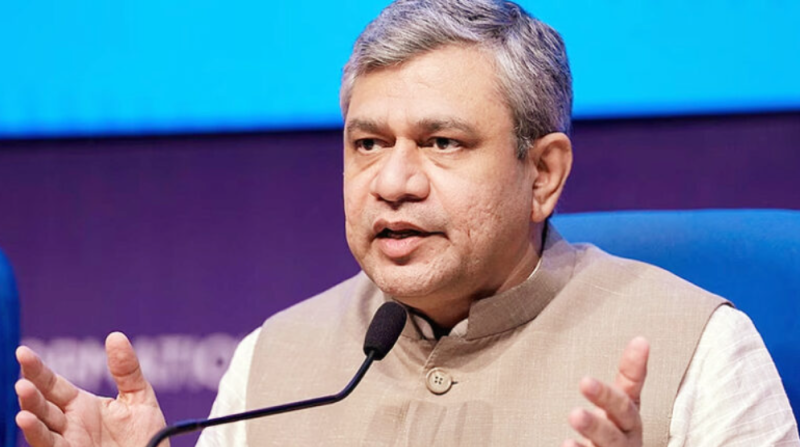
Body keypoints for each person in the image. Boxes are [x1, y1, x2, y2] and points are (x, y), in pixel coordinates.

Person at [14, 0, 799, 446]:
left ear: (543, 173)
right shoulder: (271, 363)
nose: (392, 182)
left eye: (442, 142)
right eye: (368, 144)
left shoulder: (699, 349)